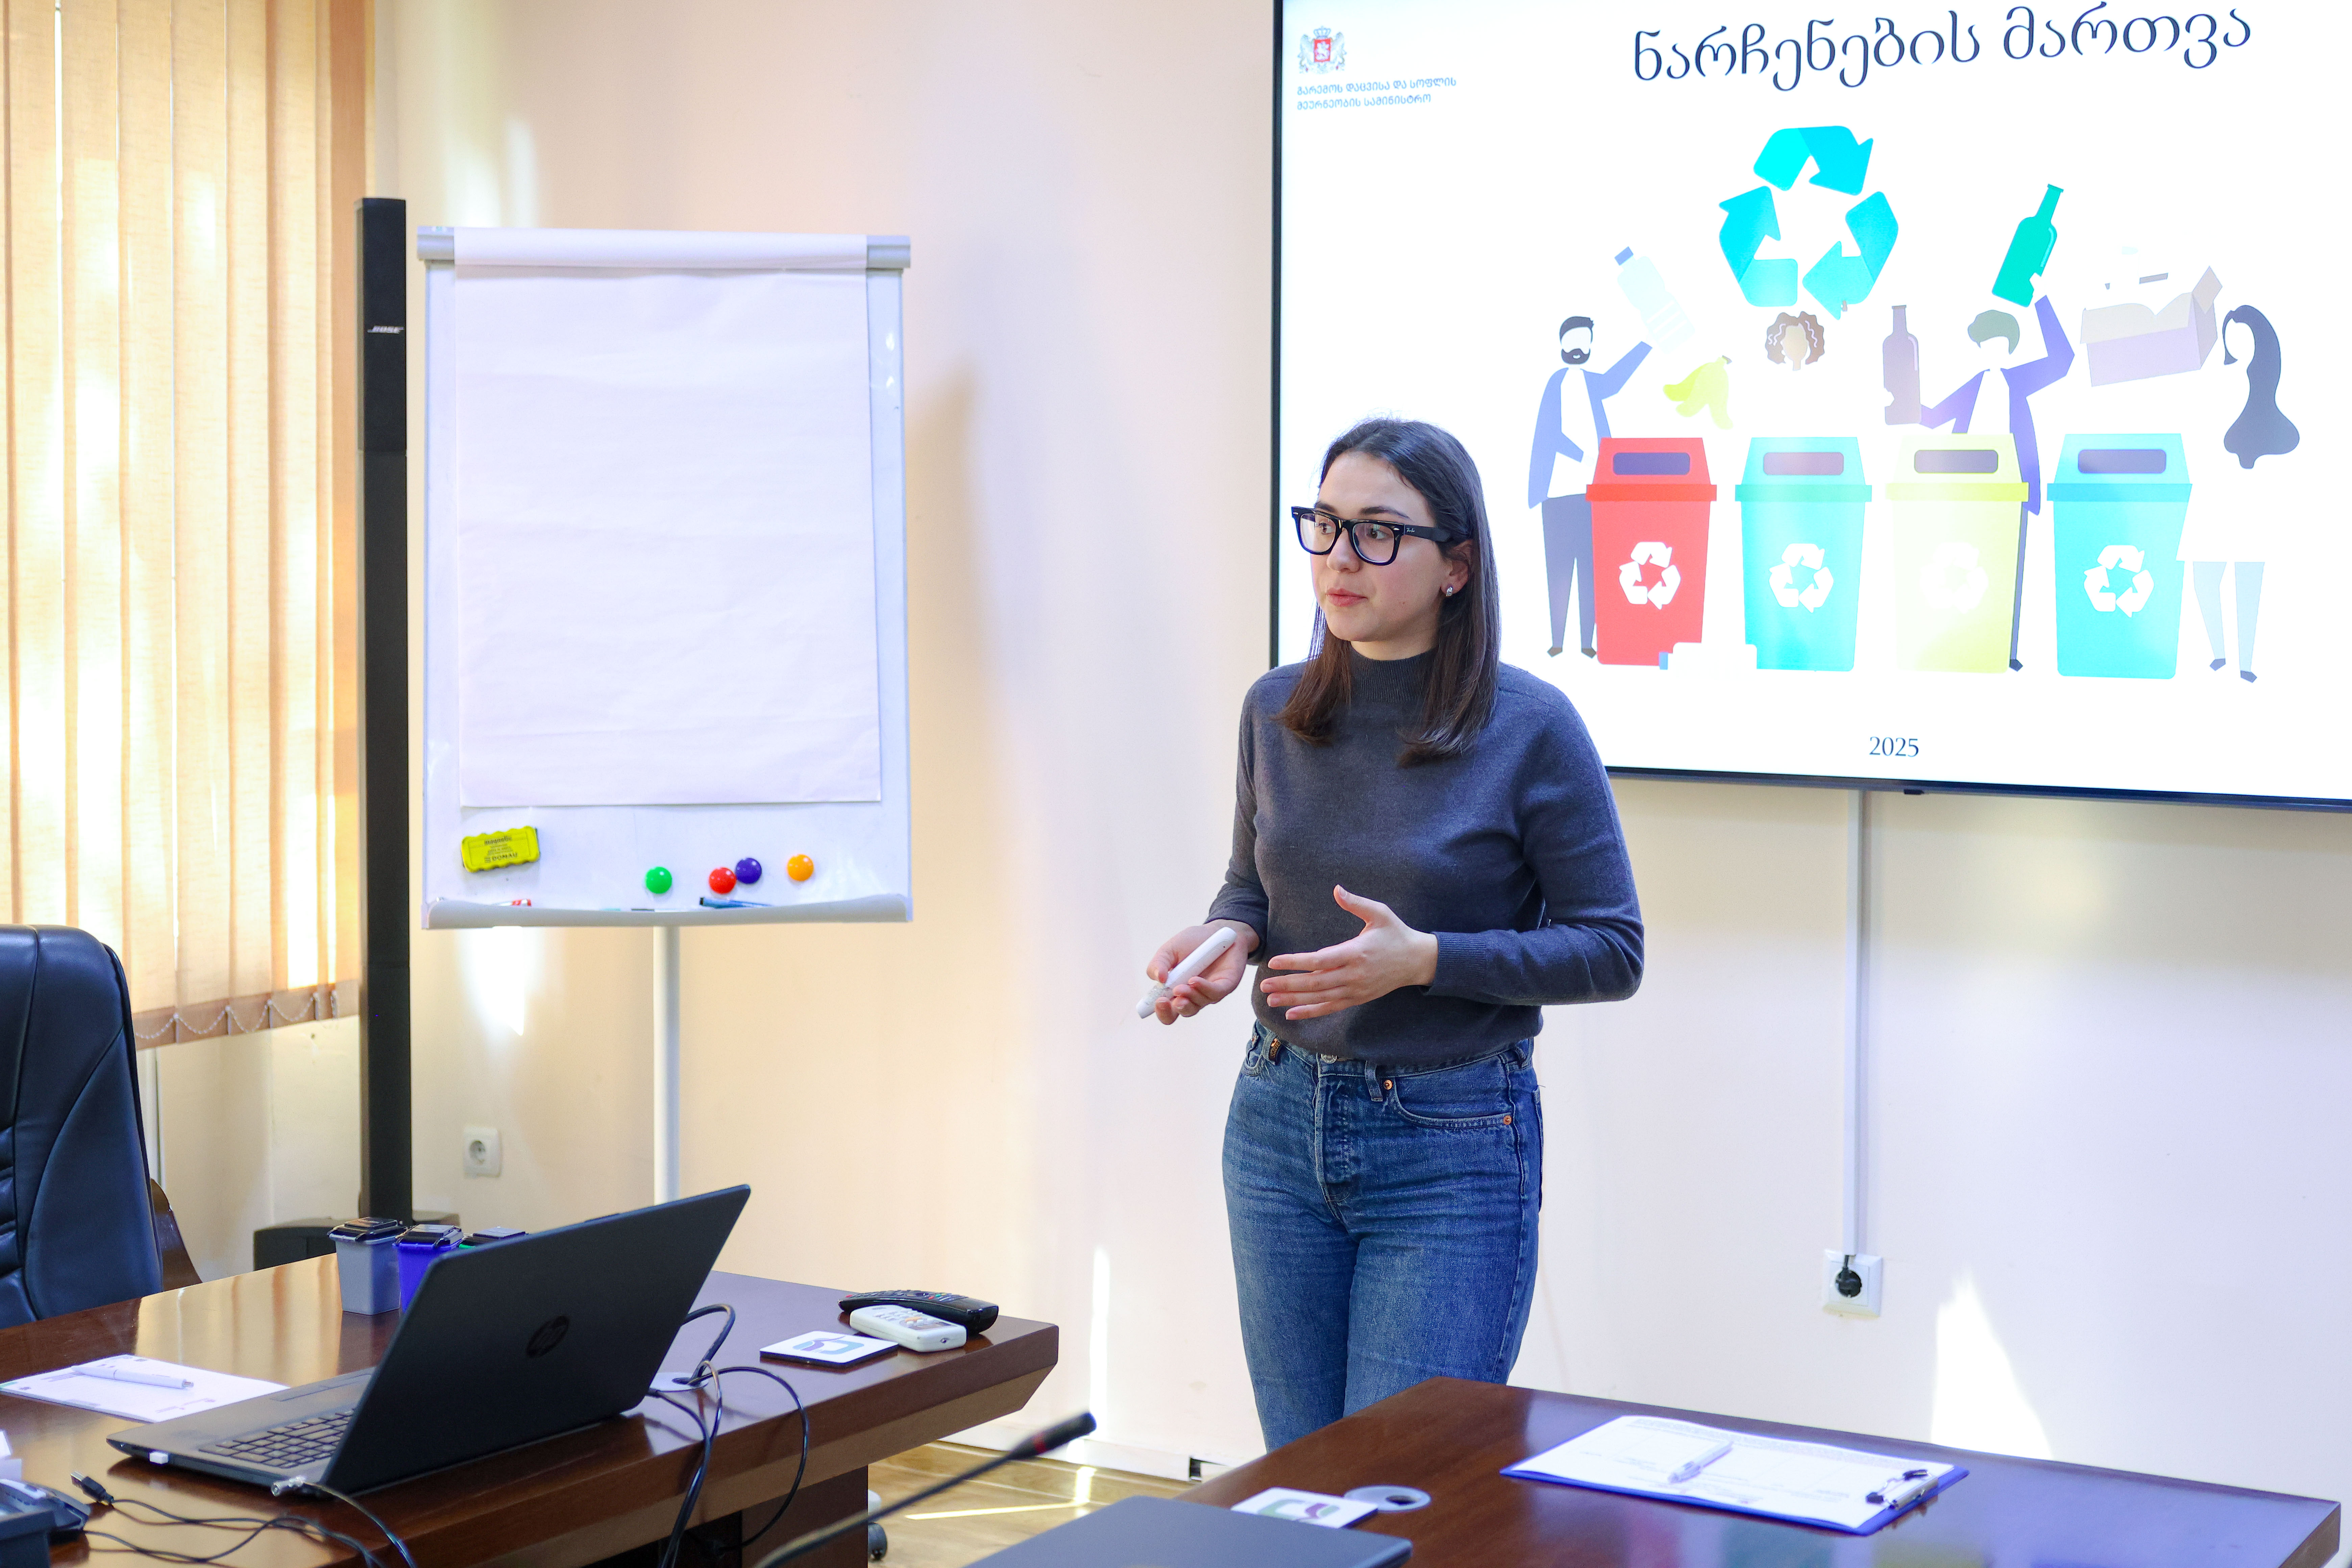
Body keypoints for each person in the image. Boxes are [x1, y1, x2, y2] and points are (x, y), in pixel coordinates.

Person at [1144, 418, 1644, 1452]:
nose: (1338, 557)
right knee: (1300, 1475)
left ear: (1456, 565)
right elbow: (1251, 885)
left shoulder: (1530, 725)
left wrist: (1426, 960)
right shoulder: (1275, 708)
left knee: (1400, 1484)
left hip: (1450, 1139)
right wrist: (1226, 937)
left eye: (1376, 532)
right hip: (1277, 1119)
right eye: (1324, 525)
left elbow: (1611, 947)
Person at [1526, 316, 1652, 658]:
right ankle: (1556, 642)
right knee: (1559, 568)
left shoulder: (1591, 382)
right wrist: (1580, 454)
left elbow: (1615, 381)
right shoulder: (1556, 383)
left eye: (1585, 342)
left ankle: (1586, 643)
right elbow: (1549, 432)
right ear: (1563, 344)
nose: (1579, 348)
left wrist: (1646, 344)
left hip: (1595, 492)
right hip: (1558, 491)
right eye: (1574, 341)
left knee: (1592, 567)